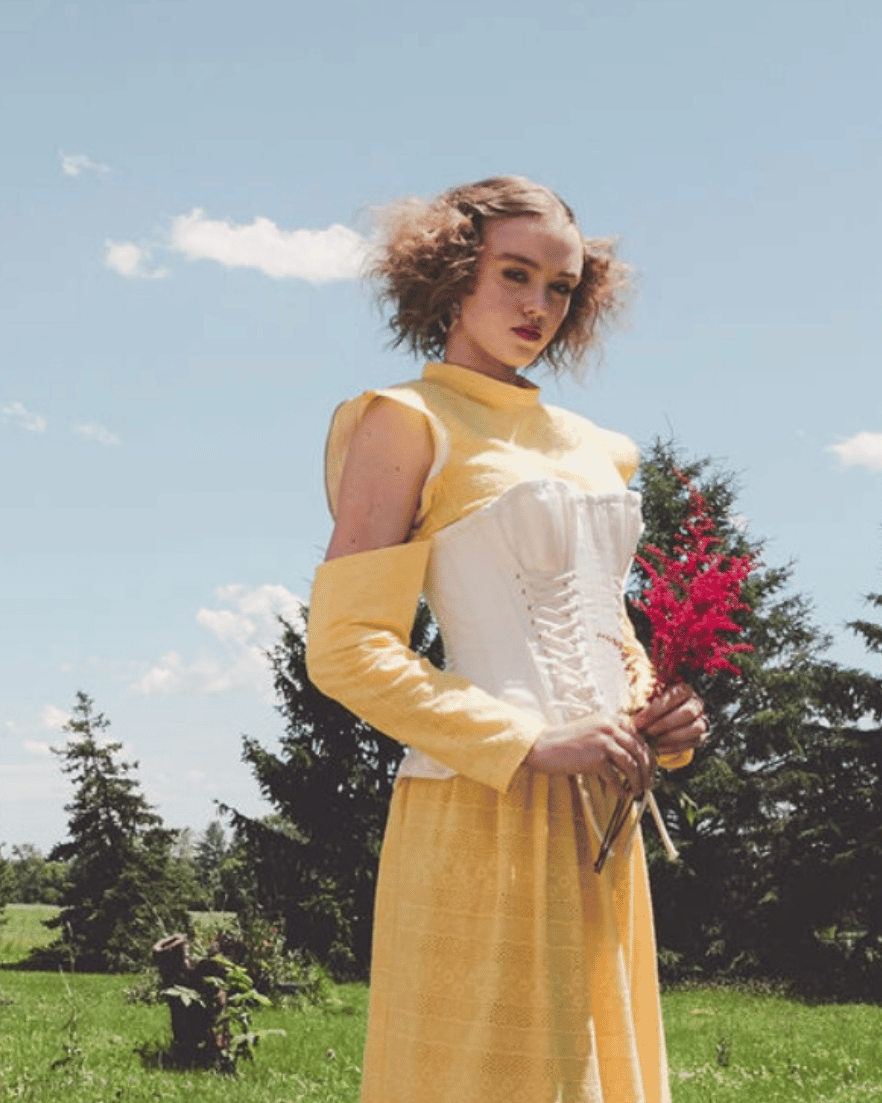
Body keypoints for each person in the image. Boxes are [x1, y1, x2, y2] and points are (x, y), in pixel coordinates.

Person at [304, 176, 710, 1102]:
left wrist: (656, 715)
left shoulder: (601, 449)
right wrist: (527, 740)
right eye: (514, 274)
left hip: (603, 809)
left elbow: (606, 626)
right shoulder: (405, 421)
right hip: (478, 808)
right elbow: (345, 646)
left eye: (561, 287)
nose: (539, 307)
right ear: (451, 273)